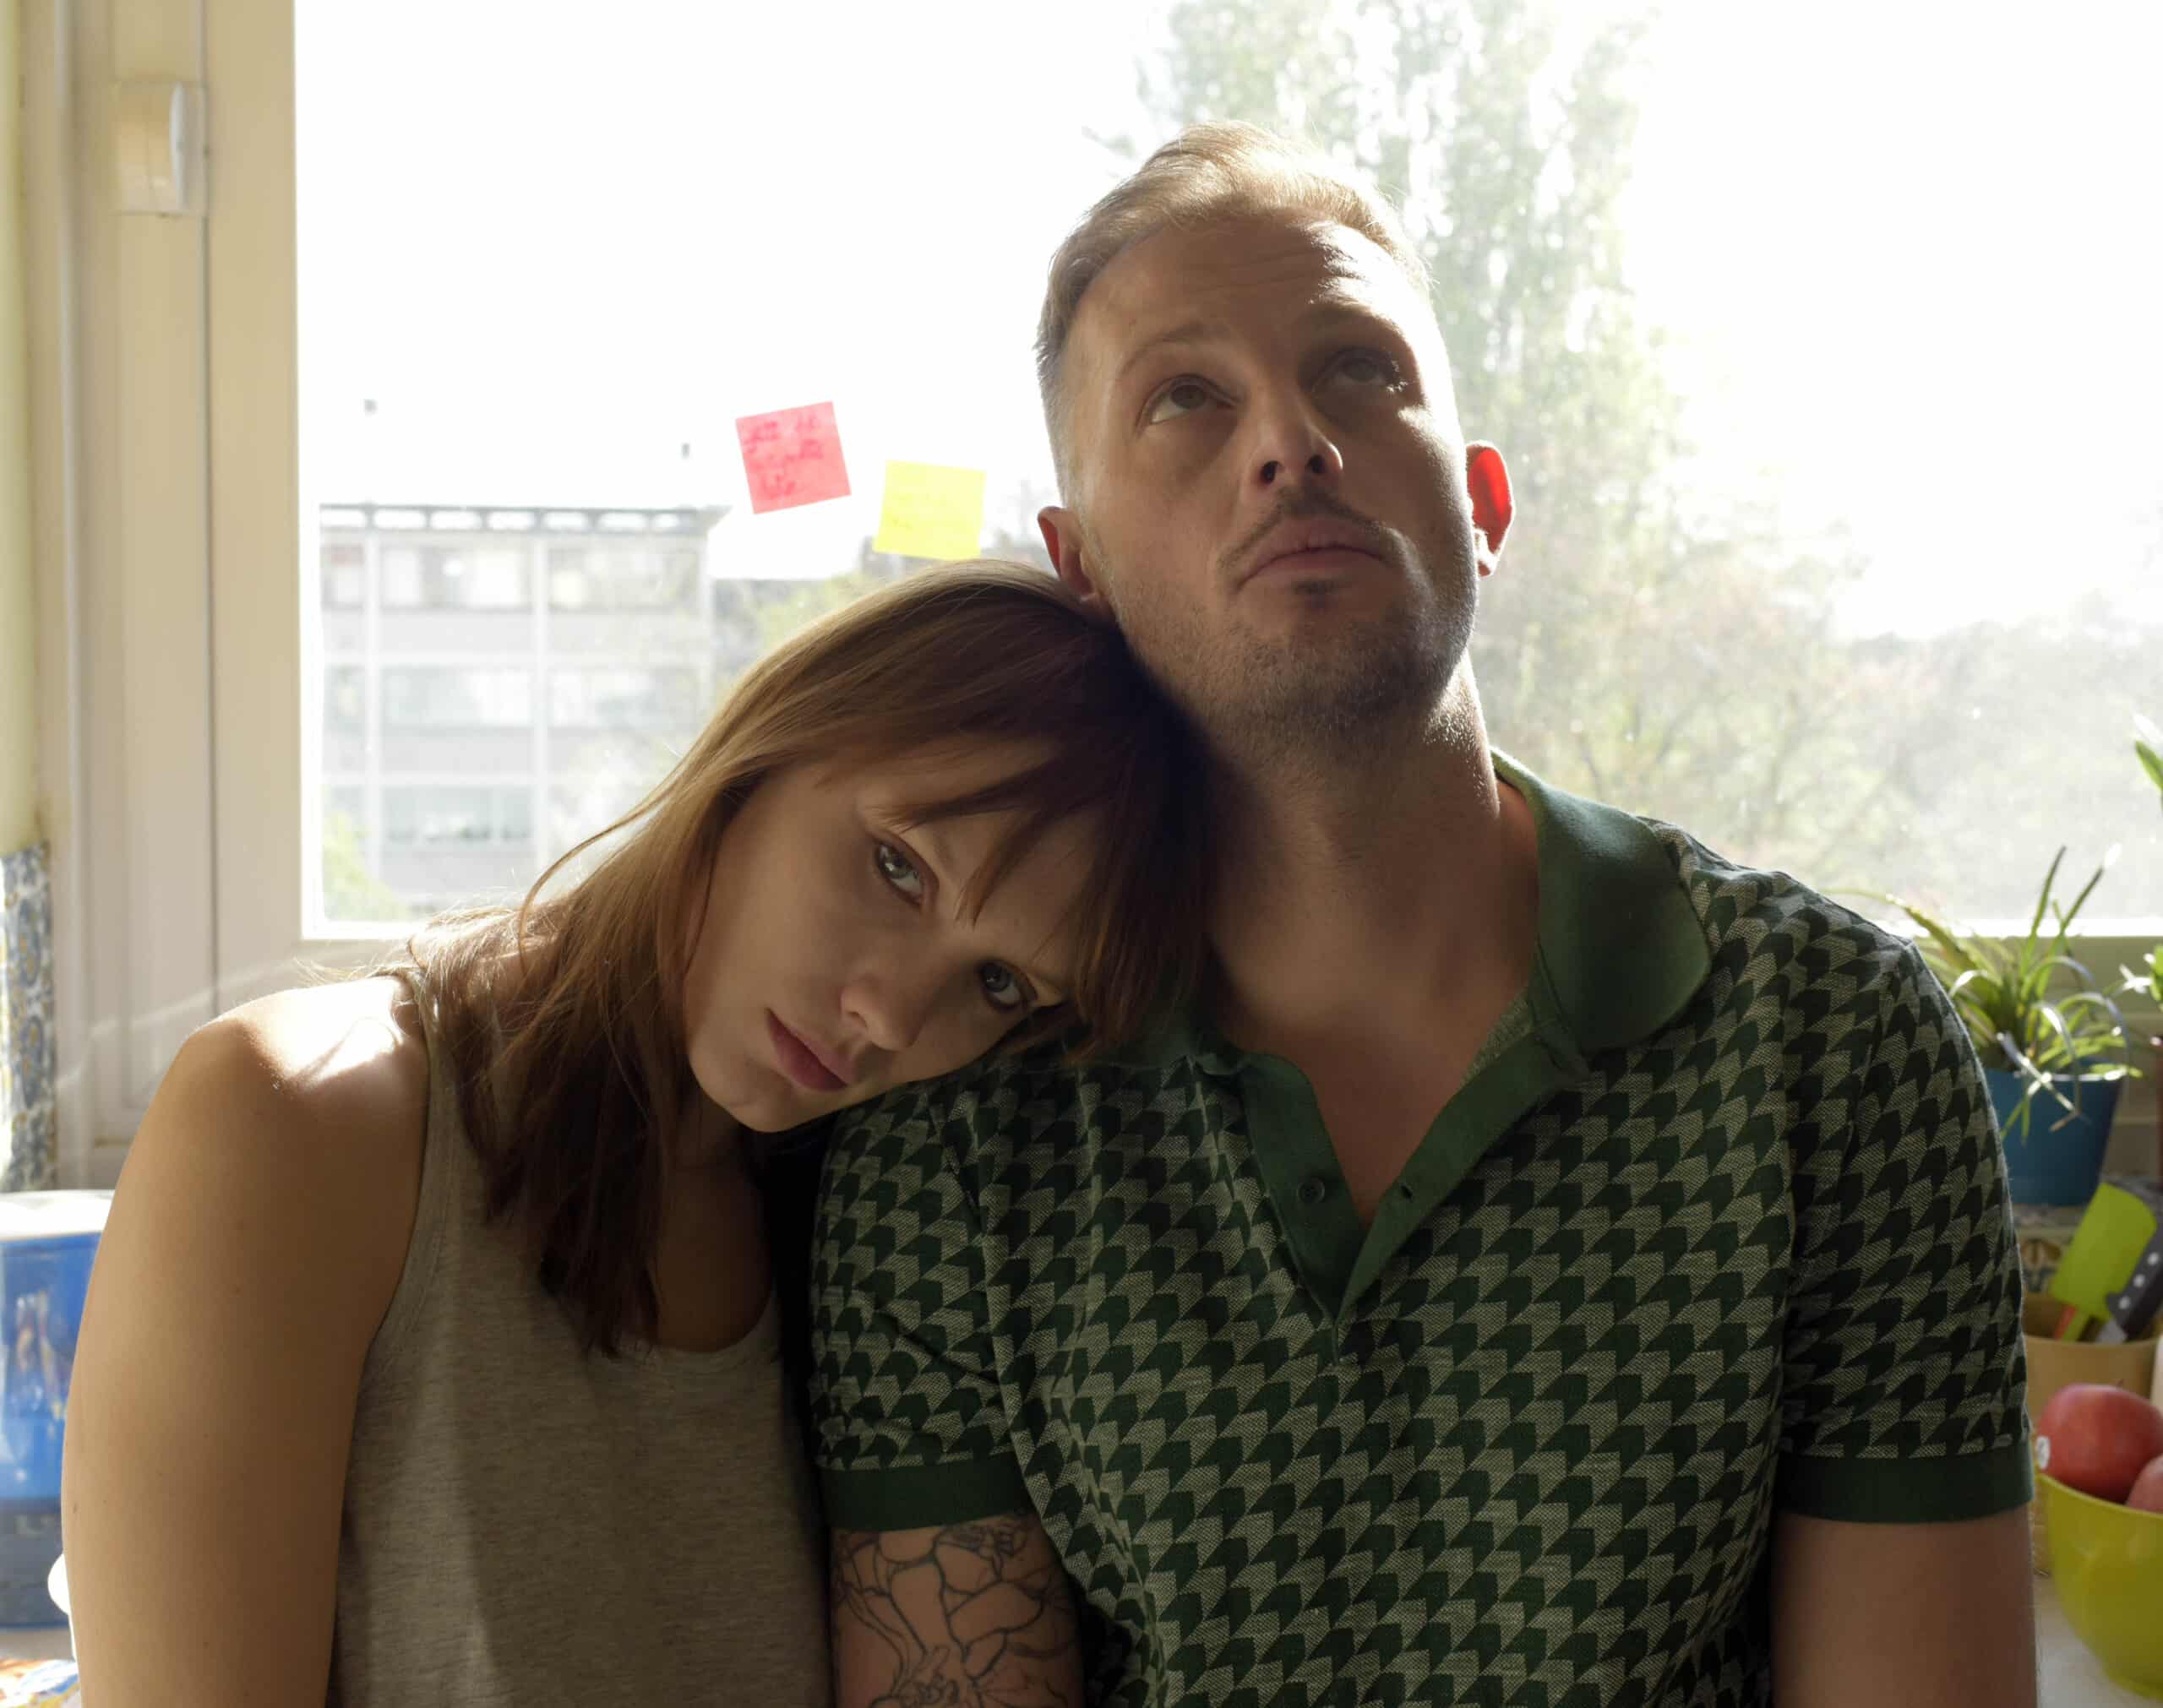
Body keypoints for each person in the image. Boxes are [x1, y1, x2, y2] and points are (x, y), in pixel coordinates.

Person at [813, 125, 2037, 1707]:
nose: (1291, 441)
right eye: (1185, 398)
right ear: (1080, 565)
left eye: (1360, 370)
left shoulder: (1835, 1048)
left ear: (1484, 503)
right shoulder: (960, 1121)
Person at [61, 560, 1210, 1706]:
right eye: (899, 868)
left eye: (999, 983)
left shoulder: (884, 1244)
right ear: (773, 740)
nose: (894, 1015)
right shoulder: (296, 1125)